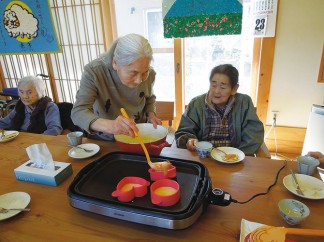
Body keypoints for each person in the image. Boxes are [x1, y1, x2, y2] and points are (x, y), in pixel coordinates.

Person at [71, 33, 161, 140]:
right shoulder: (95, 72)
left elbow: (149, 97)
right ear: (115, 63)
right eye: (133, 73)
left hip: (137, 137)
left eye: (144, 72)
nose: (139, 80)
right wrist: (112, 126)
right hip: (104, 140)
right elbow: (79, 111)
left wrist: (151, 114)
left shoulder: (149, 74)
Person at [175, 64, 264, 156]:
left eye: (223, 87)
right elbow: (184, 131)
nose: (216, 91)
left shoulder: (244, 102)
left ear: (234, 89)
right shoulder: (196, 103)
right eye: (213, 85)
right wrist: (189, 139)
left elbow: (254, 134)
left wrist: (237, 155)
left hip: (234, 158)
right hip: (203, 157)